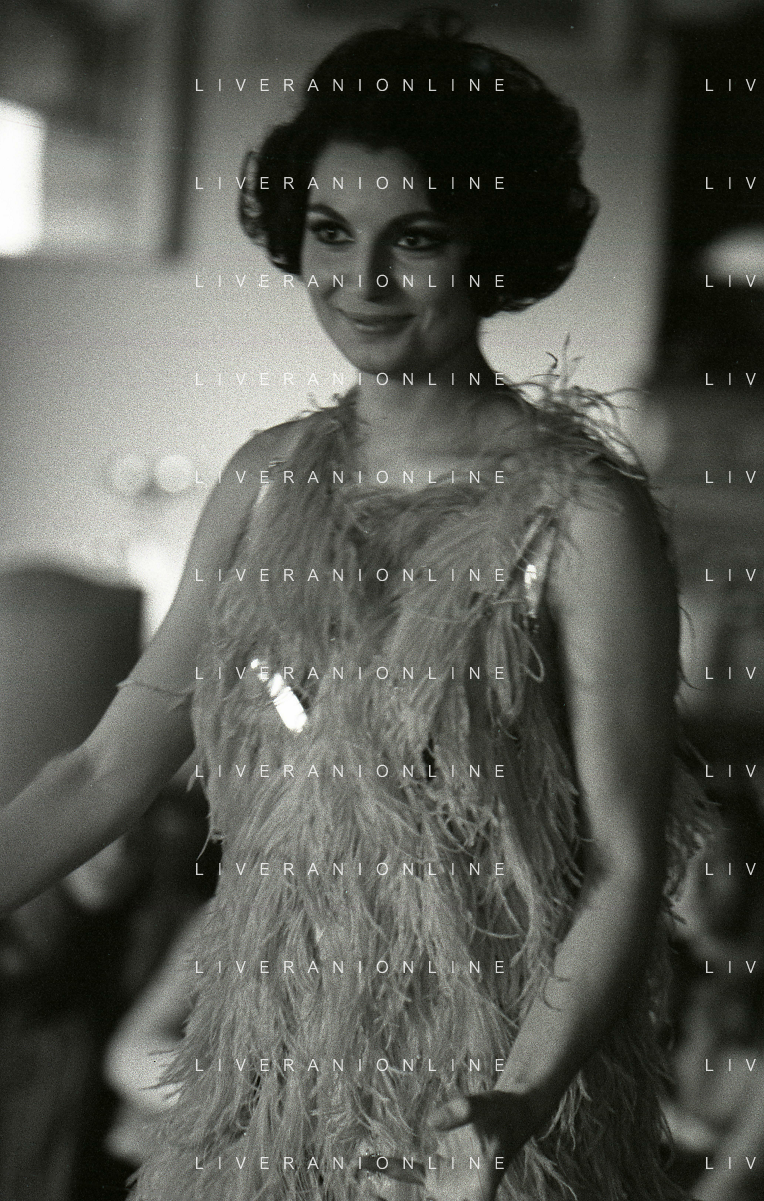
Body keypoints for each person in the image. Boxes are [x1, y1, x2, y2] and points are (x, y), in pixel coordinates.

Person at [0, 13, 703, 1201]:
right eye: (330, 231)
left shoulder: (581, 514)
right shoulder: (266, 480)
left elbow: (624, 864)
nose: (361, 281)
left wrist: (517, 1099)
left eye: (412, 238)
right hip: (264, 1081)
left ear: (488, 247)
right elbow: (104, 769)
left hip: (484, 1097)